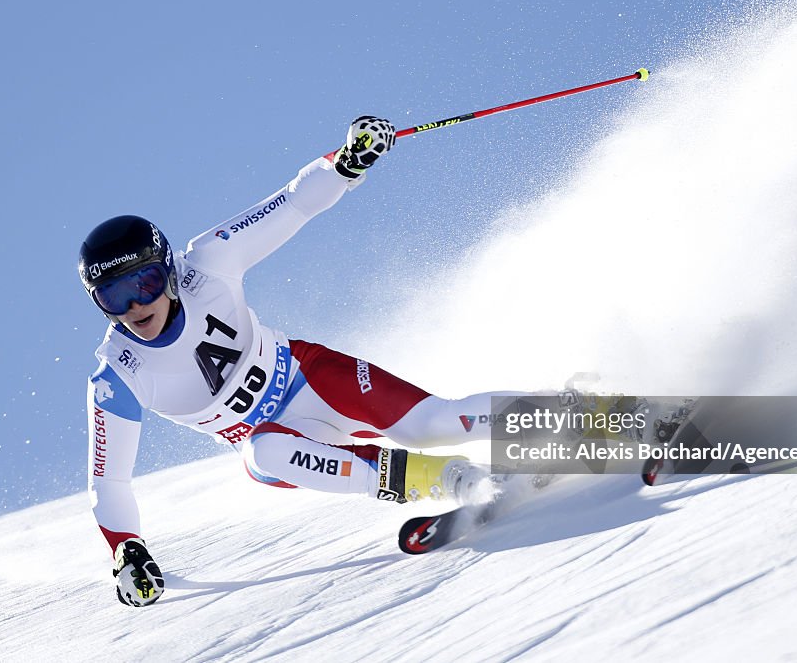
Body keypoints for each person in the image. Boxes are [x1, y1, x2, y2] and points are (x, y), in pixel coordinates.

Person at [81, 117, 524, 607]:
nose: (134, 308)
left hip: (309, 377)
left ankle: (578, 417)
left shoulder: (208, 263)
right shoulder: (118, 374)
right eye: (112, 298)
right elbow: (109, 478)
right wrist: (128, 550)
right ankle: (457, 481)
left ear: (166, 271)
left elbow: (289, 204)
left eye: (141, 284)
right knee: (262, 452)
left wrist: (346, 162)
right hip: (286, 448)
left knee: (434, 422)